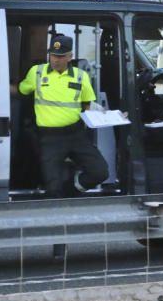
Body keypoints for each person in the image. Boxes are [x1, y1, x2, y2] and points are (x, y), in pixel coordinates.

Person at [15, 34, 109, 198]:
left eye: (60, 56)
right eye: (52, 55)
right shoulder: (37, 73)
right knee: (53, 189)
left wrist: (112, 116)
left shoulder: (81, 76)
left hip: (76, 135)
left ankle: (74, 188)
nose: (55, 60)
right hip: (50, 138)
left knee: (99, 172)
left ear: (70, 57)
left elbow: (88, 105)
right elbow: (21, 90)